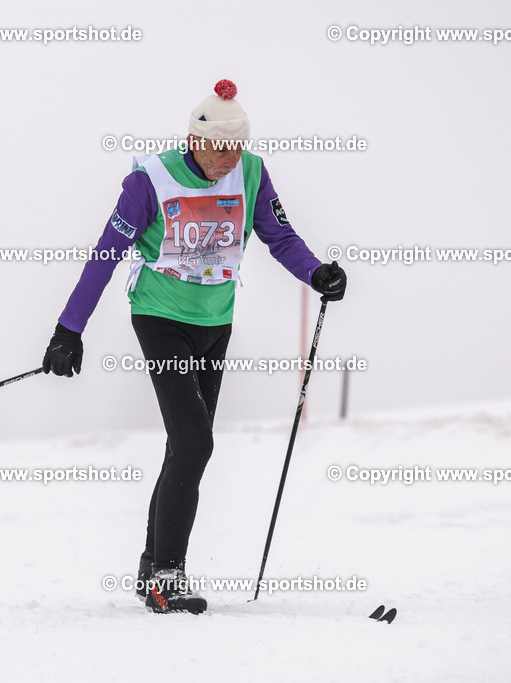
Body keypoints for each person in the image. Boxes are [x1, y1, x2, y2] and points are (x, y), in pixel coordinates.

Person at [42, 80, 346, 614]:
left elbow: (279, 235)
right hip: (160, 317)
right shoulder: (149, 181)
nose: (226, 160)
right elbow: (105, 254)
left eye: (236, 148)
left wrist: (316, 272)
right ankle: (167, 574)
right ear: (192, 138)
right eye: (217, 148)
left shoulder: (250, 172)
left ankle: (150, 566)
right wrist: (70, 329)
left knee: (185, 444)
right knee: (195, 440)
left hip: (215, 321)